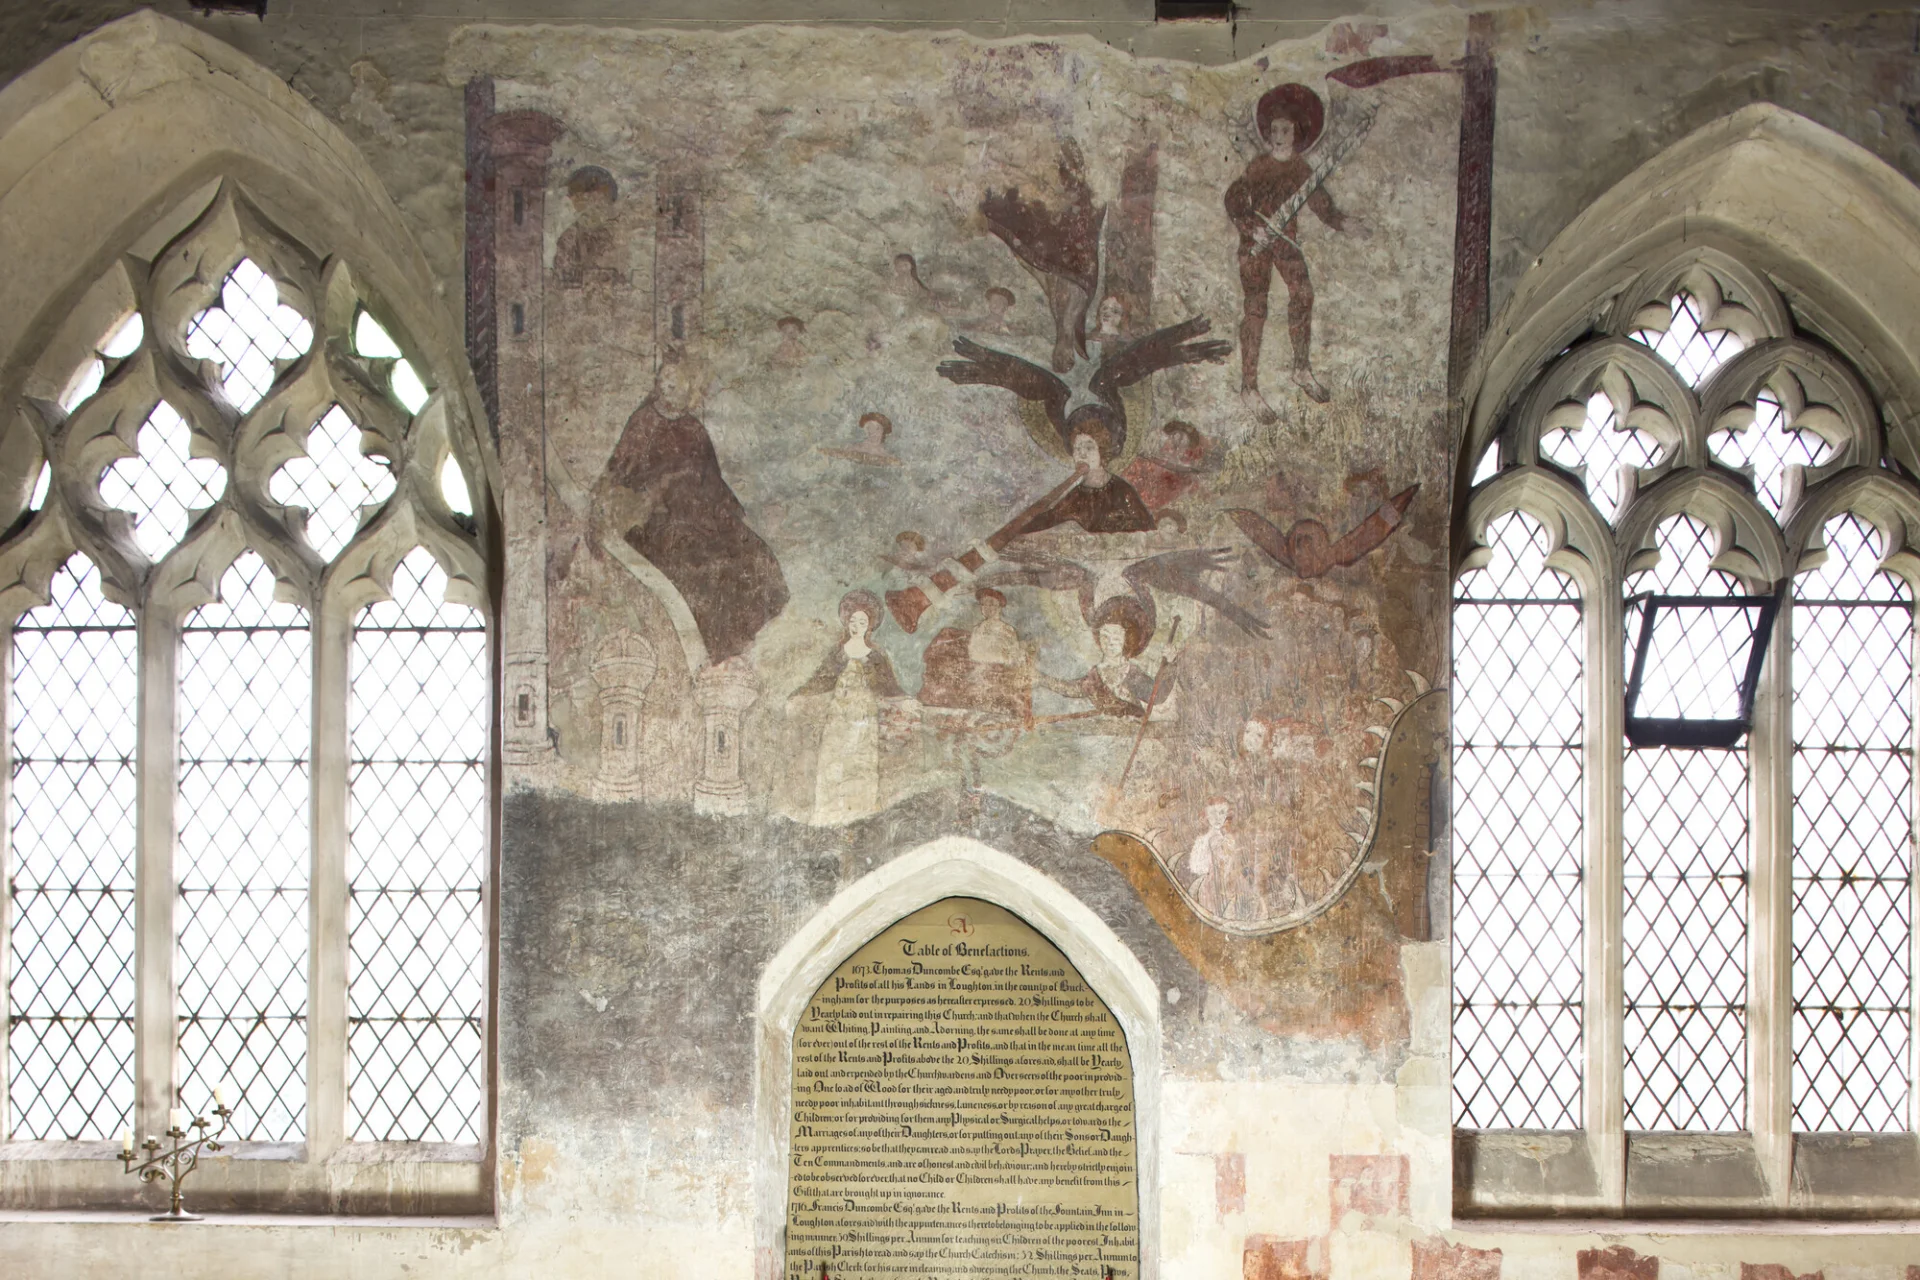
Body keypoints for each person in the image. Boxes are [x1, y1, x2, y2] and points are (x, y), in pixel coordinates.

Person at [594, 360, 789, 665]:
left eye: (676, 383)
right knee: (699, 565)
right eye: (665, 382)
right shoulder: (644, 421)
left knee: (755, 559)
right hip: (663, 515)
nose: (669, 388)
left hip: (704, 512)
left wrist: (731, 513)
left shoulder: (693, 427)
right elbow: (619, 471)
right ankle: (711, 647)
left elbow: (712, 477)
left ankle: (730, 645)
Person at [1225, 83, 1361, 421]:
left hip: (1284, 242)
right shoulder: (1257, 166)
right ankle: (1249, 387)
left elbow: (1322, 205)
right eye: (1274, 130)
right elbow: (1233, 199)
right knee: (1256, 309)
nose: (1279, 135)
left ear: (1297, 133)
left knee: (1303, 293)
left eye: (1286, 130)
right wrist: (1249, 226)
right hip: (1256, 243)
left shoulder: (1301, 170)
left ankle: (1301, 368)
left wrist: (1345, 224)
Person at [789, 591, 909, 824]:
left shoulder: (875, 655)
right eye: (853, 621)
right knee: (833, 761)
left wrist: (905, 700)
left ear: (870, 626)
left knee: (861, 762)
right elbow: (821, 679)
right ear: (847, 622)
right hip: (839, 718)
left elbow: (888, 685)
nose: (857, 626)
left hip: (863, 717)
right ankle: (828, 815)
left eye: (862, 622)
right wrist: (799, 696)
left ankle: (861, 814)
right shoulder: (839, 653)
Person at [1011, 421, 1156, 536]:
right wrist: (1018, 529)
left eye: (1089, 448)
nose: (1082, 454)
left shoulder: (1121, 490)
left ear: (1102, 451)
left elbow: (1145, 527)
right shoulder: (1076, 495)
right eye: (1077, 449)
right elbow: (1052, 518)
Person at [1039, 597, 1156, 718]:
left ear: (1126, 641)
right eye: (1105, 637)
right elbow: (1070, 689)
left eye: (1116, 638)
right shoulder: (1096, 675)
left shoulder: (1131, 673)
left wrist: (1171, 664)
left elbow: (1157, 696)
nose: (1109, 643)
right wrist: (1040, 678)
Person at [1187, 798, 1234, 916]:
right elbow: (1195, 867)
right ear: (1206, 815)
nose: (1218, 818)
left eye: (1222, 812)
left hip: (1229, 887)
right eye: (1213, 813)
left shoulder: (1230, 840)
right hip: (1210, 888)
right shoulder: (1202, 841)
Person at [966, 587, 1023, 666]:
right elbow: (972, 653)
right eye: (983, 604)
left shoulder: (1007, 629)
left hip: (1001, 671)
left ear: (999, 607)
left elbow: (1014, 655)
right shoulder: (977, 629)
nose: (986, 607)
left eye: (991, 604)